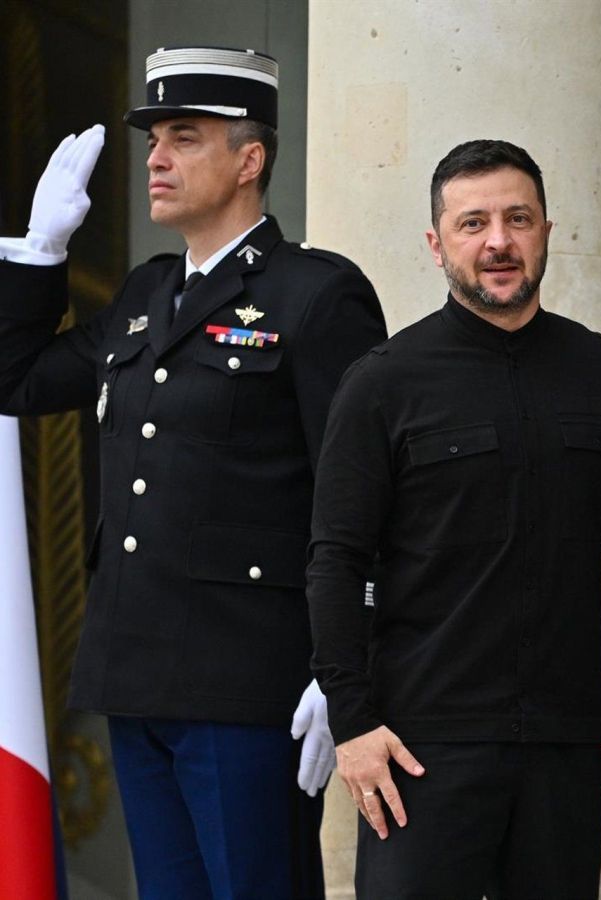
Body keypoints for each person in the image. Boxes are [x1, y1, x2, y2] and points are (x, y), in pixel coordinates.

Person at [0, 46, 386, 899]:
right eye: (154, 140)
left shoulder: (316, 296)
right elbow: (14, 381)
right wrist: (39, 254)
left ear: (250, 160)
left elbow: (361, 493)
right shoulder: (145, 296)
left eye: (184, 137)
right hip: (136, 672)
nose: (157, 158)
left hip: (248, 679)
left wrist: (345, 668)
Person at [306, 139, 601, 899]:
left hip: (566, 743)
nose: (499, 241)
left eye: (518, 219)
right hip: (420, 748)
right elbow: (335, 559)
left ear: (547, 230)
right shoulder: (383, 383)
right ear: (437, 243)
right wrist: (352, 722)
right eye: (473, 223)